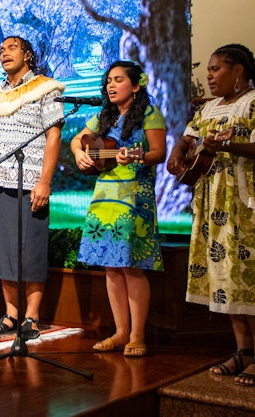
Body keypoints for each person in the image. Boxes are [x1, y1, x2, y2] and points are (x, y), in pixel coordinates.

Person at [167, 44, 255, 387]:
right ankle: (241, 351)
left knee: (254, 277)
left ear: (238, 70)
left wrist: (222, 146)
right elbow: (187, 138)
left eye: (215, 69)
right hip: (216, 205)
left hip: (253, 204)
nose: (208, 76)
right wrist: (178, 154)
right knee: (227, 279)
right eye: (208, 70)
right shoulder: (209, 108)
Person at [70, 61, 166, 357]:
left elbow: (158, 153)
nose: (111, 85)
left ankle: (137, 335)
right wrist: (78, 154)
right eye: (108, 81)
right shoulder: (105, 116)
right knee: (111, 267)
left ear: (136, 86)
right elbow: (77, 140)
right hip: (105, 196)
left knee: (131, 266)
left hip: (134, 195)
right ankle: (120, 331)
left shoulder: (150, 114)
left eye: (119, 80)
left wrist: (136, 158)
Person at [0, 37, 64, 338]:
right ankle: (11, 315)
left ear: (28, 54)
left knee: (32, 249)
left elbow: (54, 135)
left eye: (11, 48)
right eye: (1, 49)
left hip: (31, 183)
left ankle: (32, 318)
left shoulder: (44, 88)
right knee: (2, 251)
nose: (4, 53)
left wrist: (45, 181)